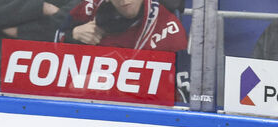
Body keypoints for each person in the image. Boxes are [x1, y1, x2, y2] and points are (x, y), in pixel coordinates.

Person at [54, 0, 190, 101]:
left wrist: (129, 87)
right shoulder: (88, 9)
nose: (124, 1)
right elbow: (53, 46)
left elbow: (183, 97)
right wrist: (72, 35)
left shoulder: (169, 29)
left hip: (138, 114)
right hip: (85, 107)